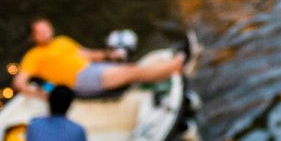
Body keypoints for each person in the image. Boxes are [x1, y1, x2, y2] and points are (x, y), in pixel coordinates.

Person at [12, 18, 184, 98]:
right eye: (40, 31)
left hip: (91, 70)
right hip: (80, 80)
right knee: (133, 72)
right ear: (33, 37)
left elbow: (86, 54)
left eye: (46, 28)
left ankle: (169, 69)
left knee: (130, 68)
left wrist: (109, 54)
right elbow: (19, 83)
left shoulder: (62, 41)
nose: (45, 32)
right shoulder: (33, 56)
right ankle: (174, 67)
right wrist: (41, 94)